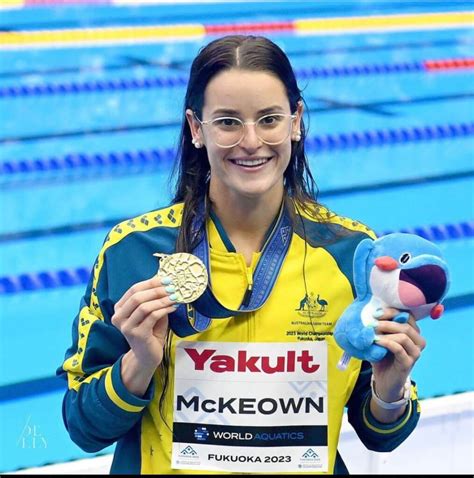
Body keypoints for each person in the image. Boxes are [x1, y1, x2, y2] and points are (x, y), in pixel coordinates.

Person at [57, 35, 425, 475]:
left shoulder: (352, 253)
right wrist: (139, 362)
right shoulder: (135, 250)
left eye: (269, 119)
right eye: (228, 122)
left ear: (296, 122)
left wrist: (390, 389)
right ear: (197, 129)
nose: (251, 141)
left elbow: (381, 434)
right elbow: (82, 426)